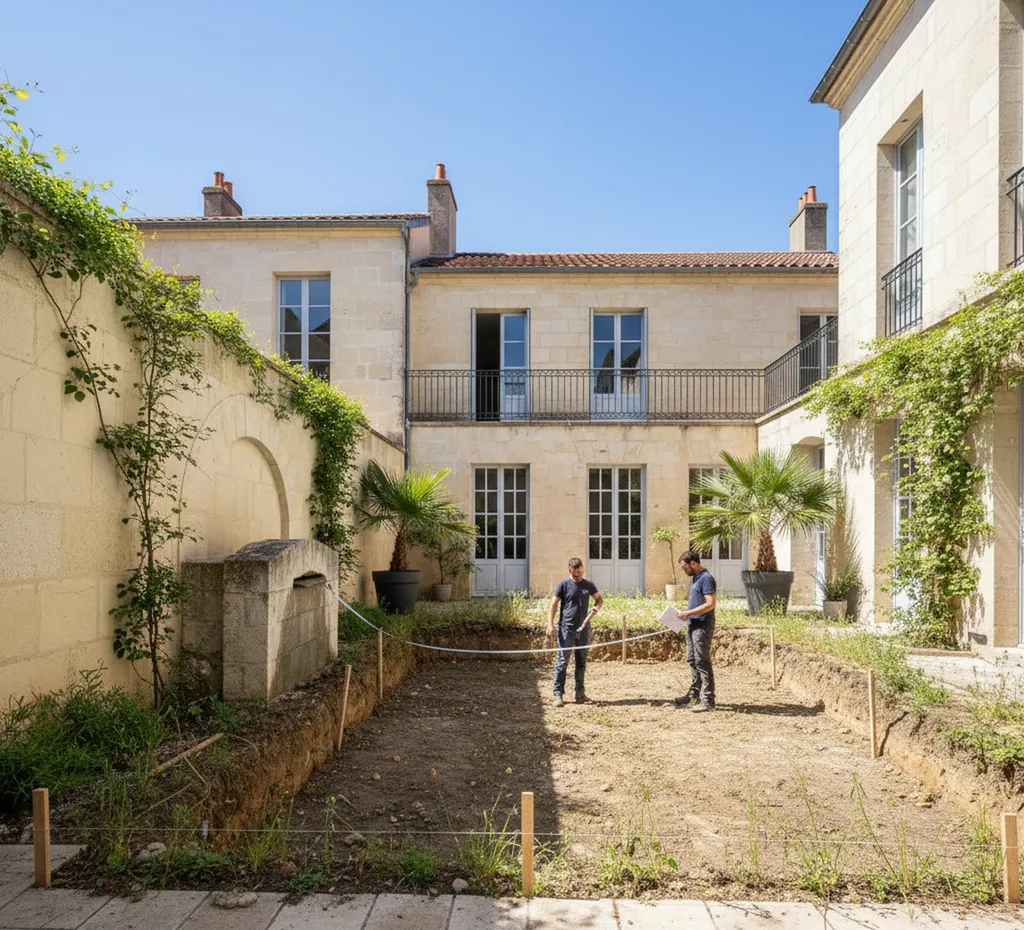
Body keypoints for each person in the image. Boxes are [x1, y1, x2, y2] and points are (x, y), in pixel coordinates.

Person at [547, 557, 604, 707]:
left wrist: (596, 607)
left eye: (580, 569)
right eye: (575, 570)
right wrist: (550, 625)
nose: (578, 572)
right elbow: (553, 605)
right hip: (566, 629)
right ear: (570, 570)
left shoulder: (588, 585)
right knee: (562, 661)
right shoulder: (563, 585)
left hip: (584, 629)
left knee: (581, 661)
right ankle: (558, 694)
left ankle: (580, 693)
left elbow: (599, 599)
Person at [674, 550, 717, 712]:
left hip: (703, 625)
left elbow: (710, 604)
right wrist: (686, 612)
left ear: (693, 563)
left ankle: (708, 700)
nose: (684, 570)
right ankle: (694, 695)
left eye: (685, 567)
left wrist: (688, 613)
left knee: (702, 661)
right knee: (692, 659)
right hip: (692, 623)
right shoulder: (695, 579)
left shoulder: (706, 579)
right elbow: (698, 604)